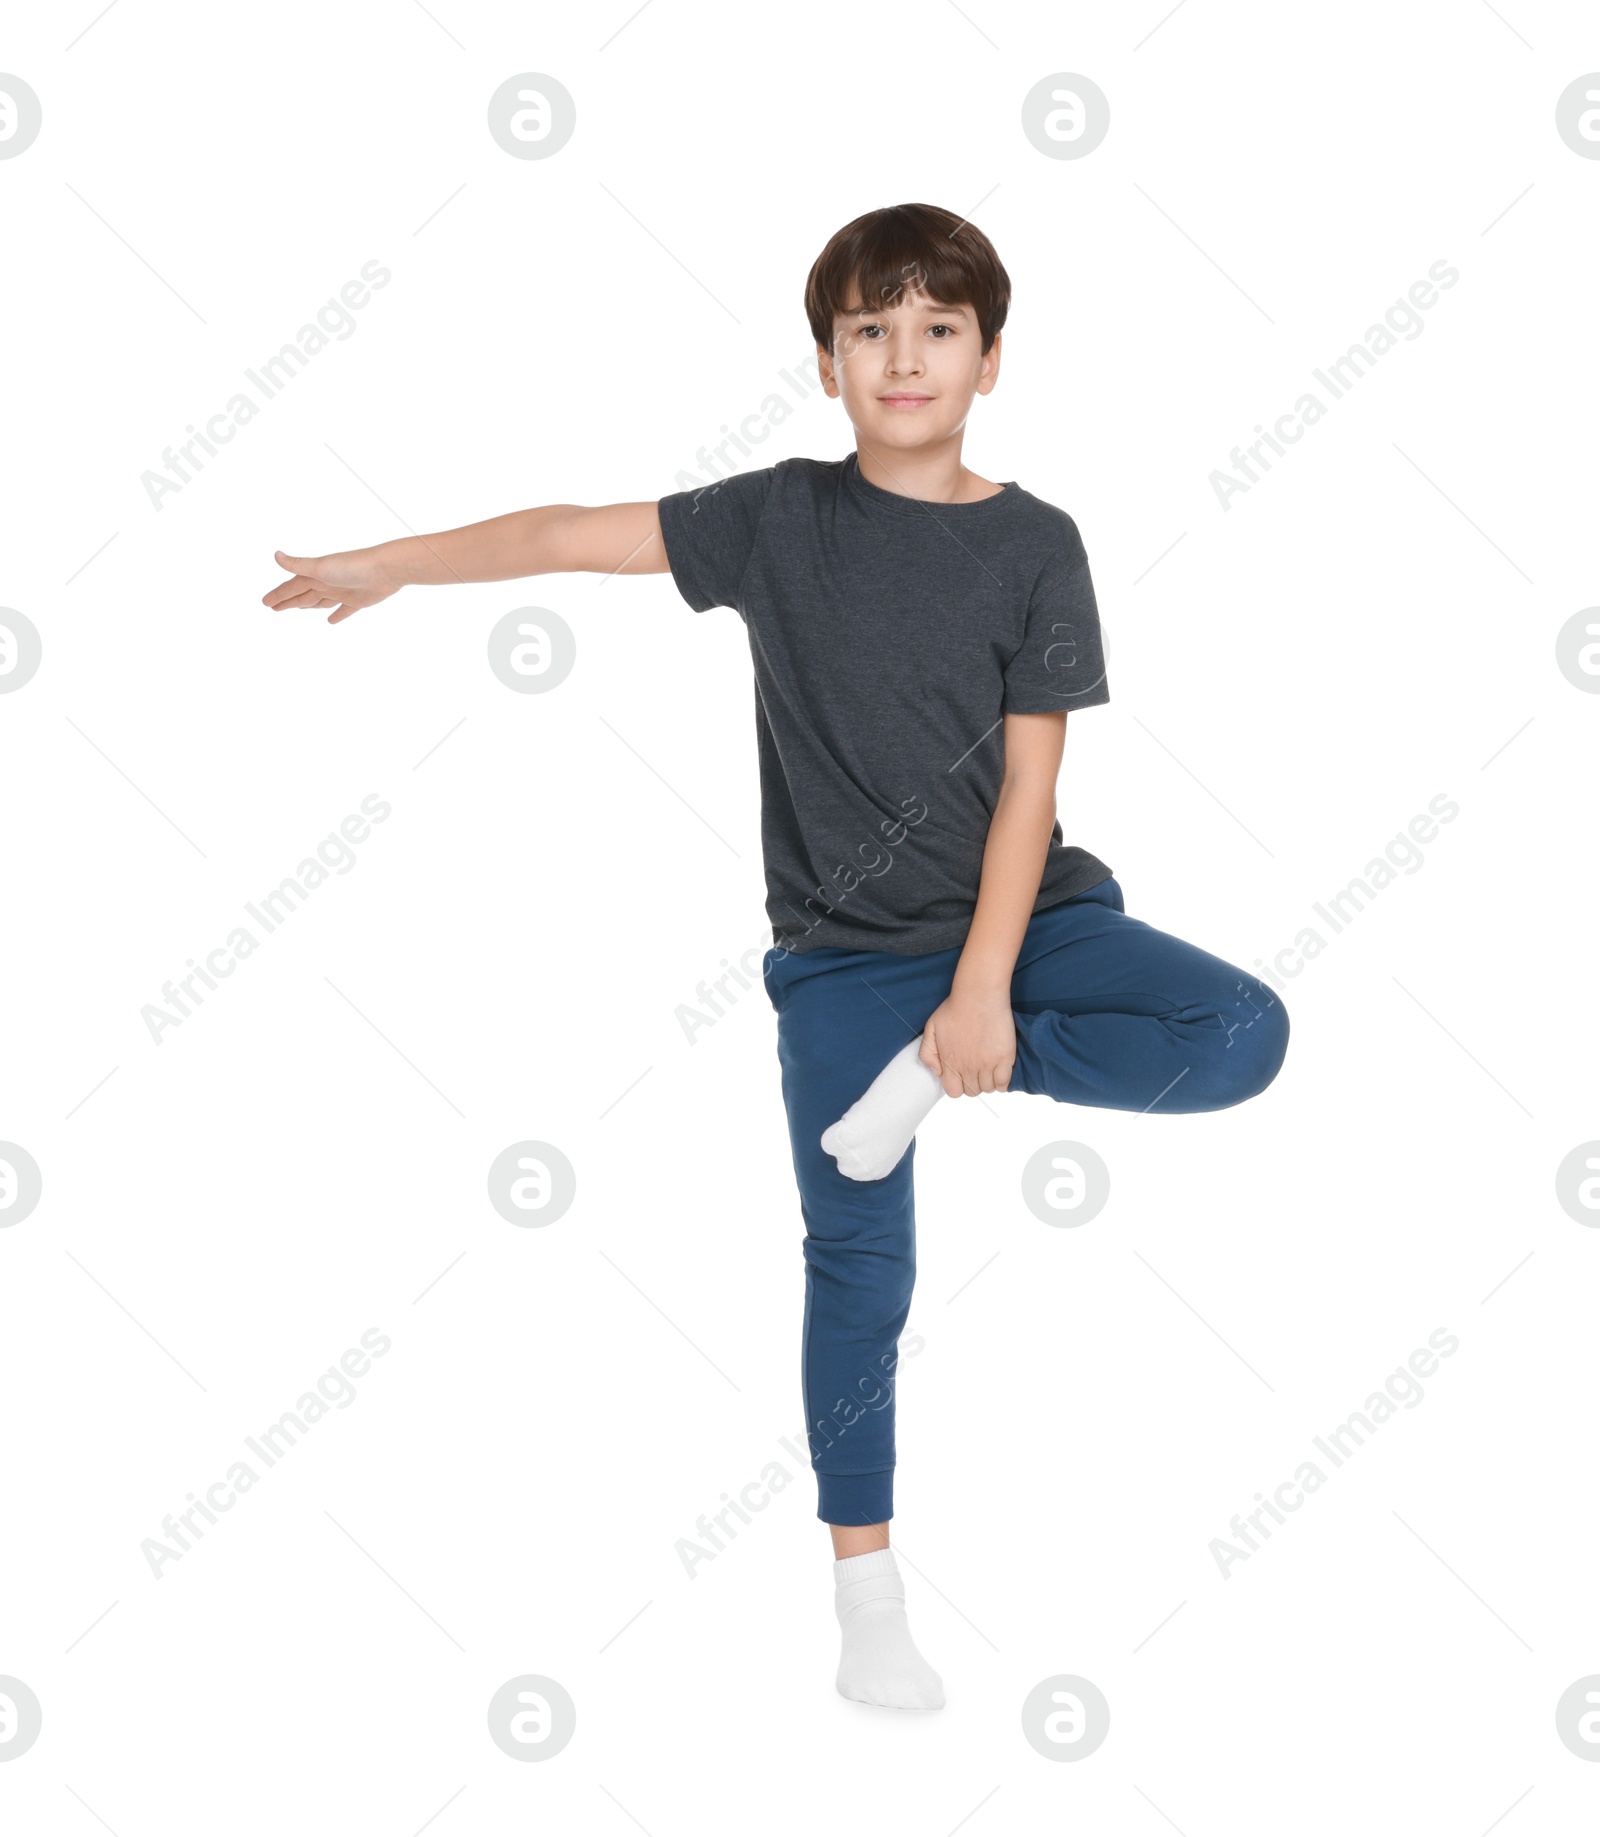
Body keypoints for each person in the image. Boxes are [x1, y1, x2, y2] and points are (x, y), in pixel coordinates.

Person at [262, 201, 1290, 1713]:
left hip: (1031, 918)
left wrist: (987, 995)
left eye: (938, 328)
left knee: (1243, 1032)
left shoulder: (1035, 542)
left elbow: (1029, 790)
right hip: (846, 960)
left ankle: (938, 1074)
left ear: (991, 360)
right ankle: (867, 1594)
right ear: (827, 363)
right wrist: (389, 563)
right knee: (861, 1263)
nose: (905, 356)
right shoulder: (777, 521)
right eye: (872, 329)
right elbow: (563, 532)